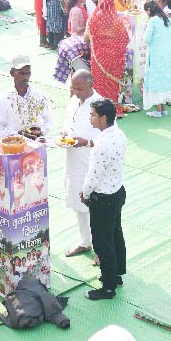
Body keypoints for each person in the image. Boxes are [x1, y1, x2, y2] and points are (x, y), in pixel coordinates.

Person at [82, 98, 128, 300]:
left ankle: (108, 287)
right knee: (116, 235)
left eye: (92, 115)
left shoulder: (102, 144)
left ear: (103, 118)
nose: (90, 118)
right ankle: (116, 275)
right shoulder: (119, 134)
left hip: (103, 198)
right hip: (117, 192)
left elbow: (94, 174)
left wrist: (85, 193)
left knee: (103, 242)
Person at [60, 70, 102, 258]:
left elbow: (106, 137)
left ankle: (101, 250)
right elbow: (68, 124)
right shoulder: (73, 101)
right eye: (74, 88)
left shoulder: (101, 105)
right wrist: (65, 134)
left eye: (80, 88)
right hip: (73, 160)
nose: (76, 92)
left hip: (92, 161)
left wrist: (85, 142)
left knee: (96, 208)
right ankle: (85, 242)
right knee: (79, 202)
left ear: (91, 84)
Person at [0, 56, 53, 139]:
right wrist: (18, 134)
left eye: (28, 73)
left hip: (37, 146)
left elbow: (49, 122)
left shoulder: (40, 96)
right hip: (14, 148)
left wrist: (41, 132)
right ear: (12, 73)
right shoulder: (3, 100)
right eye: (21, 73)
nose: (26, 77)